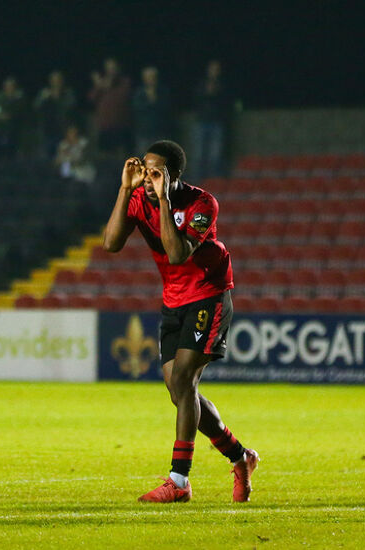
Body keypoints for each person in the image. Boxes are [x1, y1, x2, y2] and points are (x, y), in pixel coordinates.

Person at [103, 140, 258, 503]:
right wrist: (125, 189)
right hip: (173, 300)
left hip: (208, 293)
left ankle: (179, 480)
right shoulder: (138, 197)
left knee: (185, 380)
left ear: (174, 175)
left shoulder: (202, 204)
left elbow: (176, 254)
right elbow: (110, 243)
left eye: (156, 171)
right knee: (178, 391)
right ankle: (241, 457)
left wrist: (164, 200)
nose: (148, 176)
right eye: (145, 168)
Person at [192, 60, 236, 179]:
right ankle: (200, 180)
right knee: (199, 154)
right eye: (212, 69)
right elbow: (196, 99)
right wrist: (206, 93)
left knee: (215, 155)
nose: (214, 71)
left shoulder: (223, 85)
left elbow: (227, 102)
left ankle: (215, 180)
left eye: (216, 69)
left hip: (217, 122)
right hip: (202, 121)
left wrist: (216, 93)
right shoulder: (202, 84)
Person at [88, 57, 132, 154]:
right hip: (105, 127)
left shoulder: (124, 82)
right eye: (108, 68)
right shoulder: (101, 84)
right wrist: (99, 86)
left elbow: (124, 97)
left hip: (120, 126)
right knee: (105, 156)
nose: (111, 71)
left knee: (121, 155)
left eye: (113, 68)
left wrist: (106, 84)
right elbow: (92, 98)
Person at [34, 70, 78, 160]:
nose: (56, 83)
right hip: (47, 131)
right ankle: (48, 173)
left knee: (64, 158)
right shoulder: (45, 93)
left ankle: (64, 174)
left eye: (58, 80)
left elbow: (72, 106)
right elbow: (36, 107)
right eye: (53, 80)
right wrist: (43, 98)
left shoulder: (68, 93)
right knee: (47, 158)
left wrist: (58, 97)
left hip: (64, 131)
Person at [132, 66, 171, 154]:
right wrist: (150, 102)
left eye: (153, 77)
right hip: (144, 132)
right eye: (149, 77)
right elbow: (137, 109)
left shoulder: (163, 92)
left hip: (159, 132)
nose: (151, 80)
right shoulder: (139, 93)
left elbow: (166, 109)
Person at [0, 76, 26, 160]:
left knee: (11, 152)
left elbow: (21, 110)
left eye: (12, 86)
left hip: (13, 130)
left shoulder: (19, 98)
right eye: (8, 86)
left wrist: (11, 114)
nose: (9, 88)